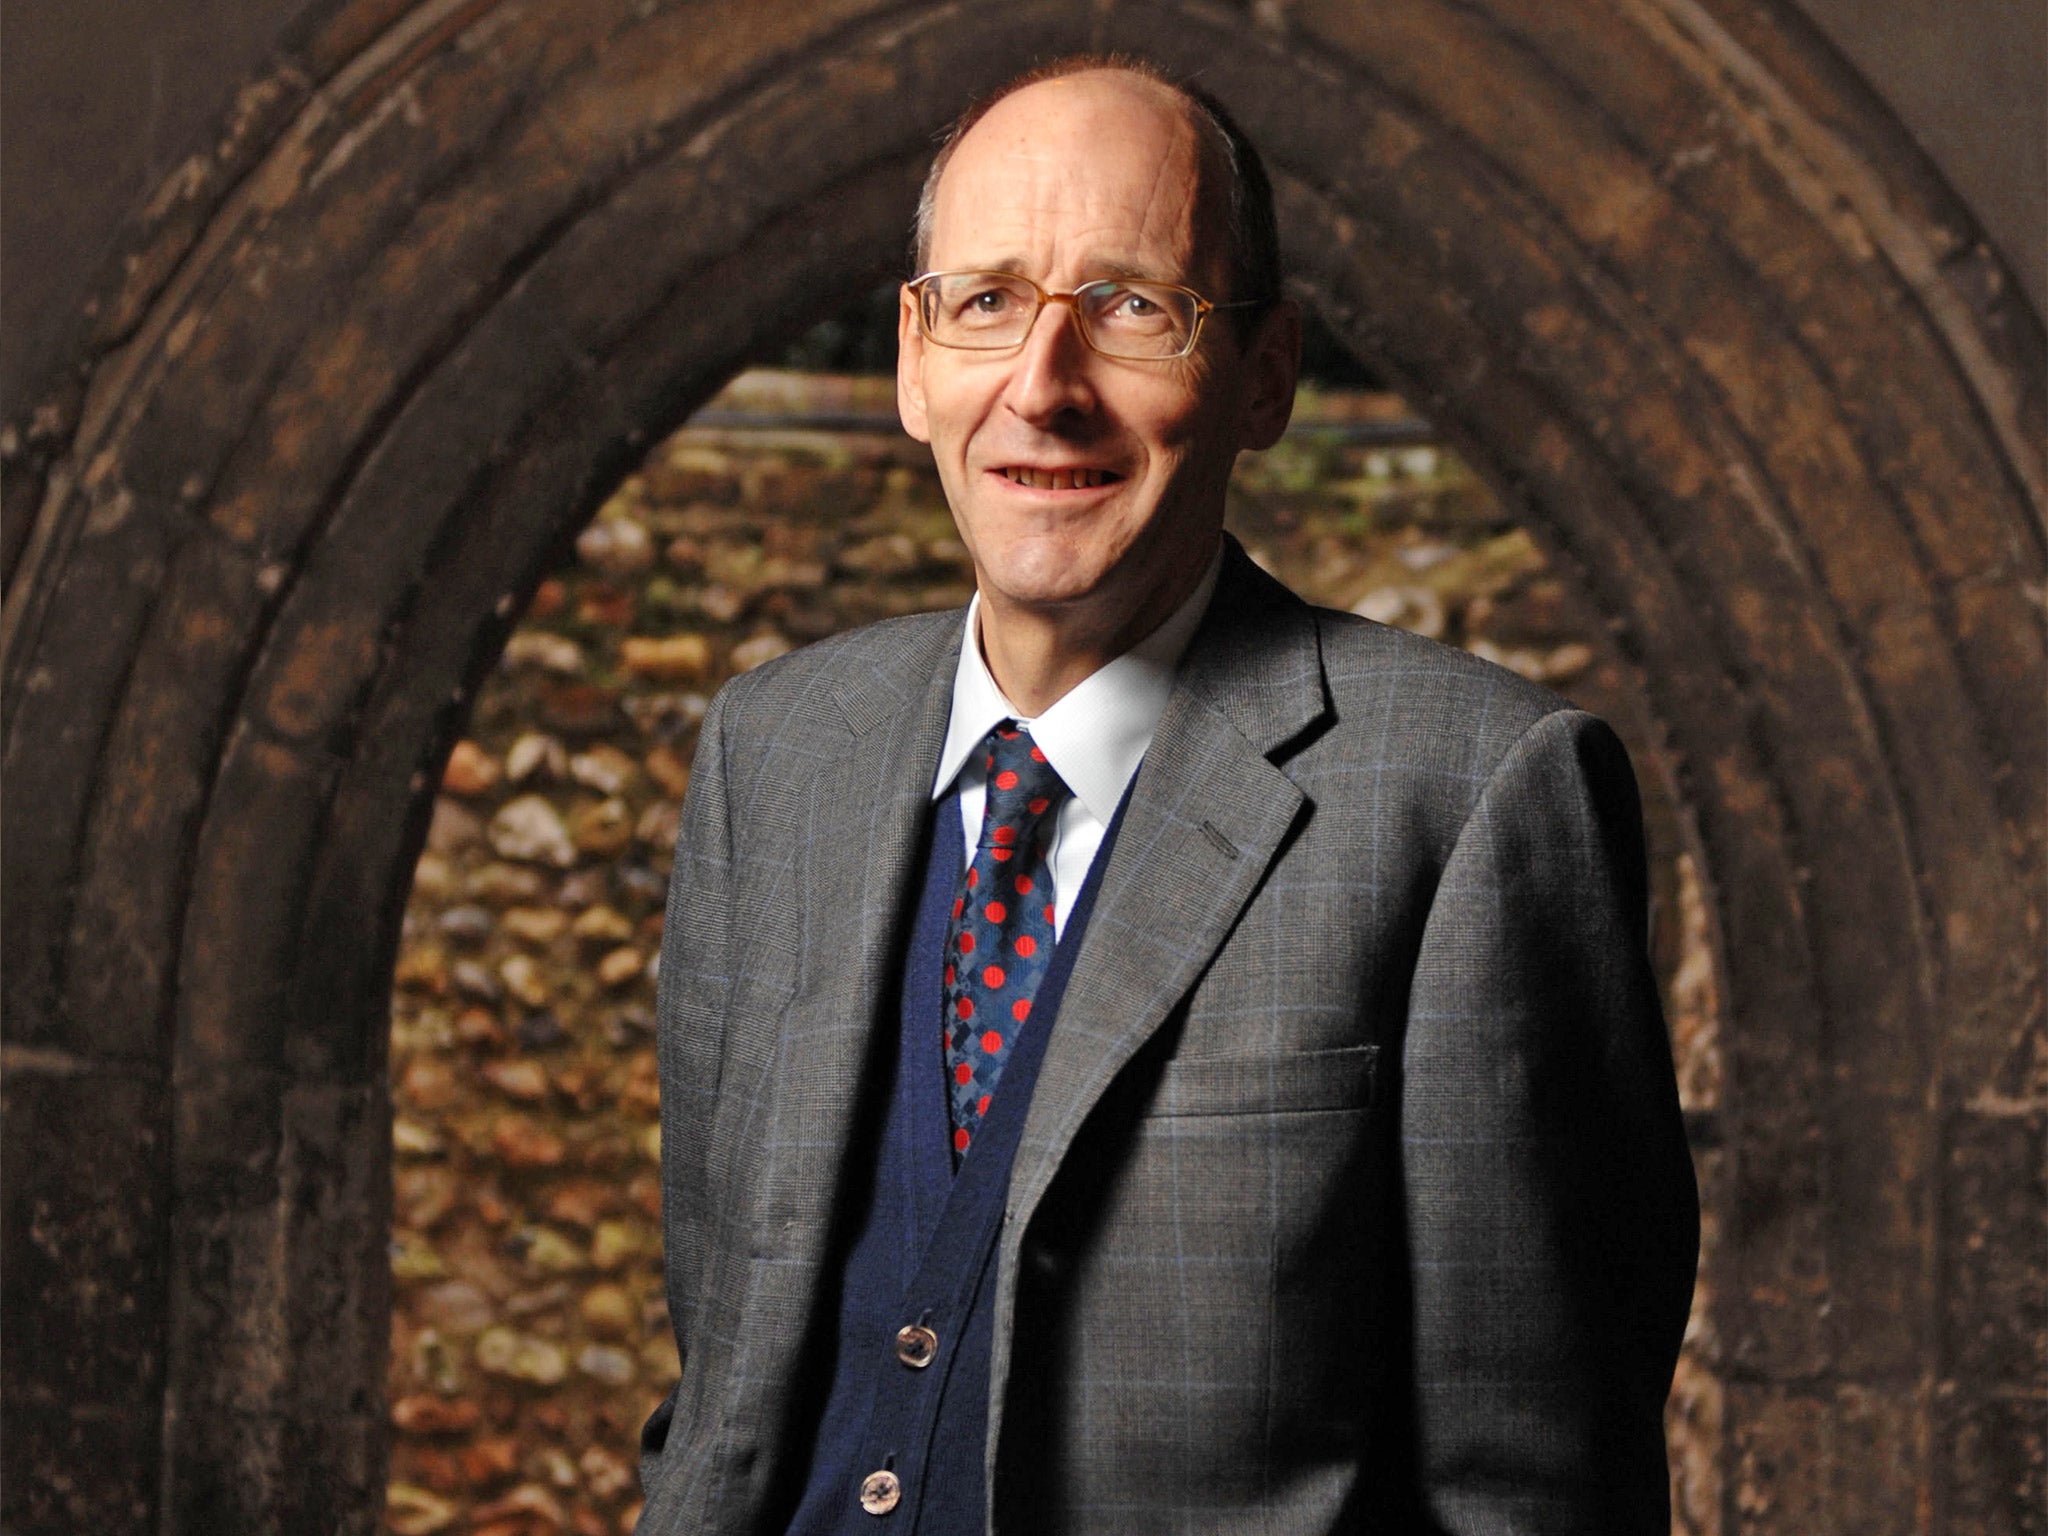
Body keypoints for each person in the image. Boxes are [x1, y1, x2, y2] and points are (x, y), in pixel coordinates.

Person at [636, 56, 1698, 1535]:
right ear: (911, 358)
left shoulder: (1475, 798)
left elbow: (1539, 1495)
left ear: (1263, 377)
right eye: (986, 301)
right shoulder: (774, 751)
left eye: (1134, 307)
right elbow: (724, 1390)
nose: (1041, 388)